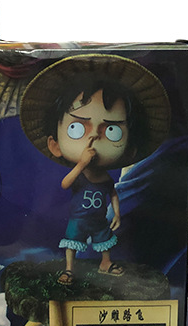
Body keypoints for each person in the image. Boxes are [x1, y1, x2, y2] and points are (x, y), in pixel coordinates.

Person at [19, 55, 170, 285]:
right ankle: (69, 268)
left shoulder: (107, 179)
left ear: (130, 152)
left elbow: (112, 193)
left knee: (104, 241)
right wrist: (81, 164)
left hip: (99, 220)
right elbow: (65, 184)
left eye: (111, 131)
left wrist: (116, 213)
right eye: (77, 128)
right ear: (55, 145)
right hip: (78, 219)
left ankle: (105, 263)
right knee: (72, 243)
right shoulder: (80, 174)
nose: (94, 137)